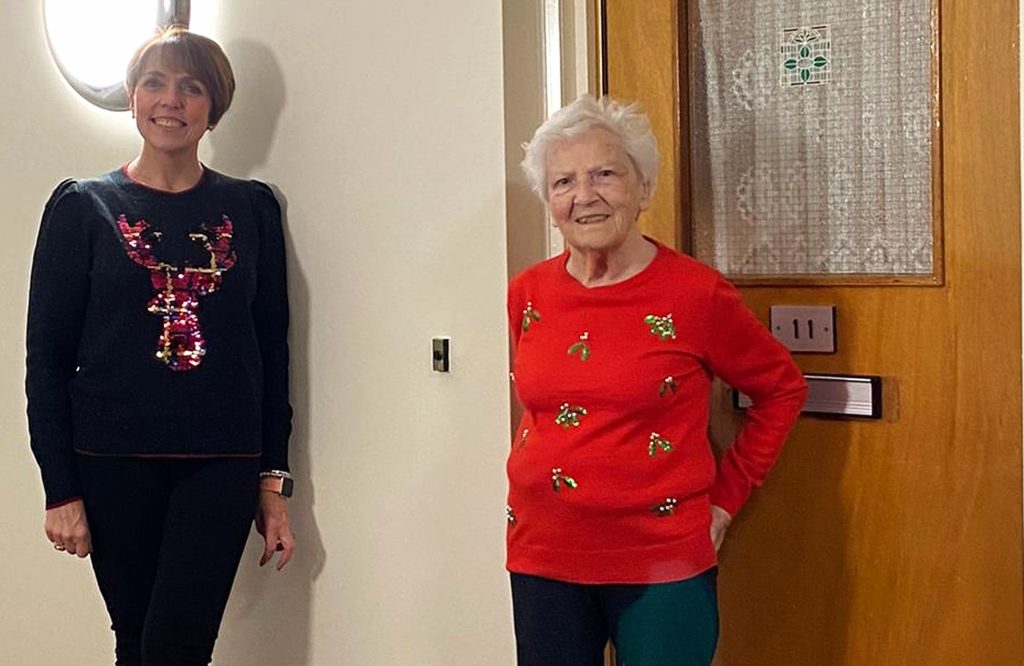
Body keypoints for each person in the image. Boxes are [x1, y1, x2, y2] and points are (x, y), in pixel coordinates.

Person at [506, 95, 808, 665]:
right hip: (542, 552)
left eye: (605, 175)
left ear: (643, 189)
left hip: (661, 558)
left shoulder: (696, 294)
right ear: (549, 201)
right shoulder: (527, 292)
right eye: (563, 182)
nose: (584, 196)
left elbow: (782, 389)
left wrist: (725, 501)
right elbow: (543, 407)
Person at [26, 27, 295, 665]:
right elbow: (48, 360)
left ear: (212, 107)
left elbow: (271, 351)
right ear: (132, 95)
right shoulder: (82, 207)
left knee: (178, 646)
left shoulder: (250, 209)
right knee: (137, 642)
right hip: (110, 460)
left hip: (221, 462)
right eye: (155, 82)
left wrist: (273, 481)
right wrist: (59, 487)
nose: (170, 100)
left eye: (190, 86)